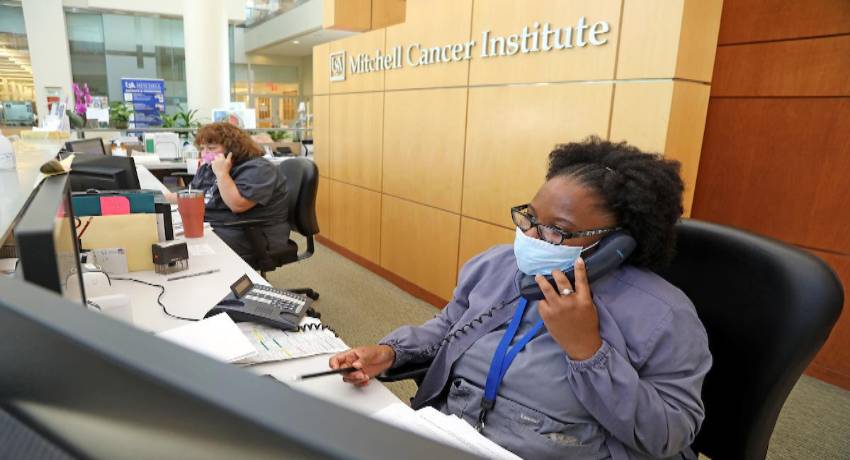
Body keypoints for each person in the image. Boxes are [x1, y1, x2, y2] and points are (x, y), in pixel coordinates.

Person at [330, 137, 712, 459]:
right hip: (451, 434)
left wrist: (588, 352)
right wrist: (392, 352)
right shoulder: (496, 266)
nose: (530, 238)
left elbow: (669, 434)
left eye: (557, 231)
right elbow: (449, 327)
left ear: (618, 244)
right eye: (530, 217)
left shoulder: (664, 315)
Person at [167, 122, 290, 259]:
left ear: (233, 148)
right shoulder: (210, 168)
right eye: (202, 148)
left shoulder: (259, 169)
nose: (205, 153)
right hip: (219, 225)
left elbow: (237, 205)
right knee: (168, 236)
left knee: (186, 252)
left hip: (251, 234)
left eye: (211, 148)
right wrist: (159, 197)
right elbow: (191, 195)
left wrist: (222, 174)